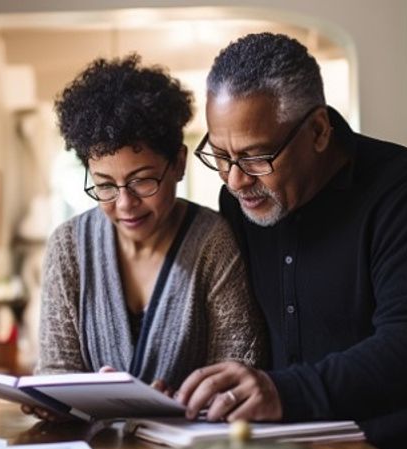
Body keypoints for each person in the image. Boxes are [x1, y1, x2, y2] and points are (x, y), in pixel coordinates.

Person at [175, 33, 407, 449]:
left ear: (319, 130)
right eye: (220, 155)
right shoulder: (240, 201)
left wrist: (285, 392)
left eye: (257, 156)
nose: (236, 181)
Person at [34, 55, 266, 399]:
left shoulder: (212, 241)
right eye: (105, 185)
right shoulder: (68, 246)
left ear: (178, 164)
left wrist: (177, 399)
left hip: (191, 446)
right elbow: (56, 370)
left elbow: (237, 367)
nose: (125, 204)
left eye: (142, 181)